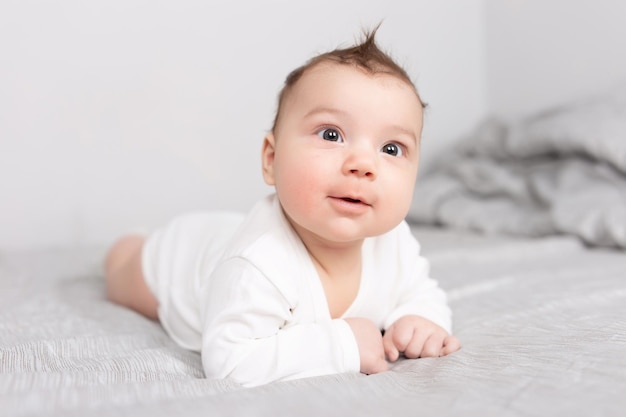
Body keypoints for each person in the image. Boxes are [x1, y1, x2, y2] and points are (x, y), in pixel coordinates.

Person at [104, 27, 460, 388]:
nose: (363, 164)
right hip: (177, 261)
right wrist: (342, 344)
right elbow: (230, 361)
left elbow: (419, 290)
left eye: (391, 148)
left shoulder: (394, 240)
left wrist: (420, 318)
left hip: (226, 236)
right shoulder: (258, 263)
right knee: (122, 275)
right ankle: (130, 244)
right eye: (331, 134)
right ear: (271, 160)